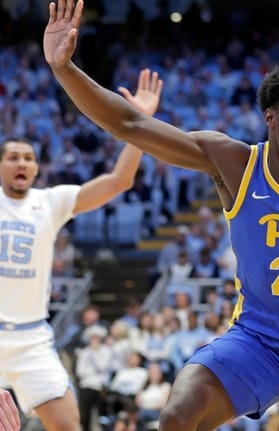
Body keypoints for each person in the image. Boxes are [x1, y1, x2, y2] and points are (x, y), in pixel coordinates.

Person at [43, 2, 279, 430]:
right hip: (258, 340)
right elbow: (130, 125)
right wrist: (64, 68)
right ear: (270, 119)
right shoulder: (234, 164)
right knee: (179, 414)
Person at [0, 65, 161, 431]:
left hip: (30, 339)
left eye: (28, 157)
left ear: (38, 168)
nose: (22, 162)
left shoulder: (51, 201)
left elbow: (120, 181)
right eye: (12, 157)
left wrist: (139, 123)